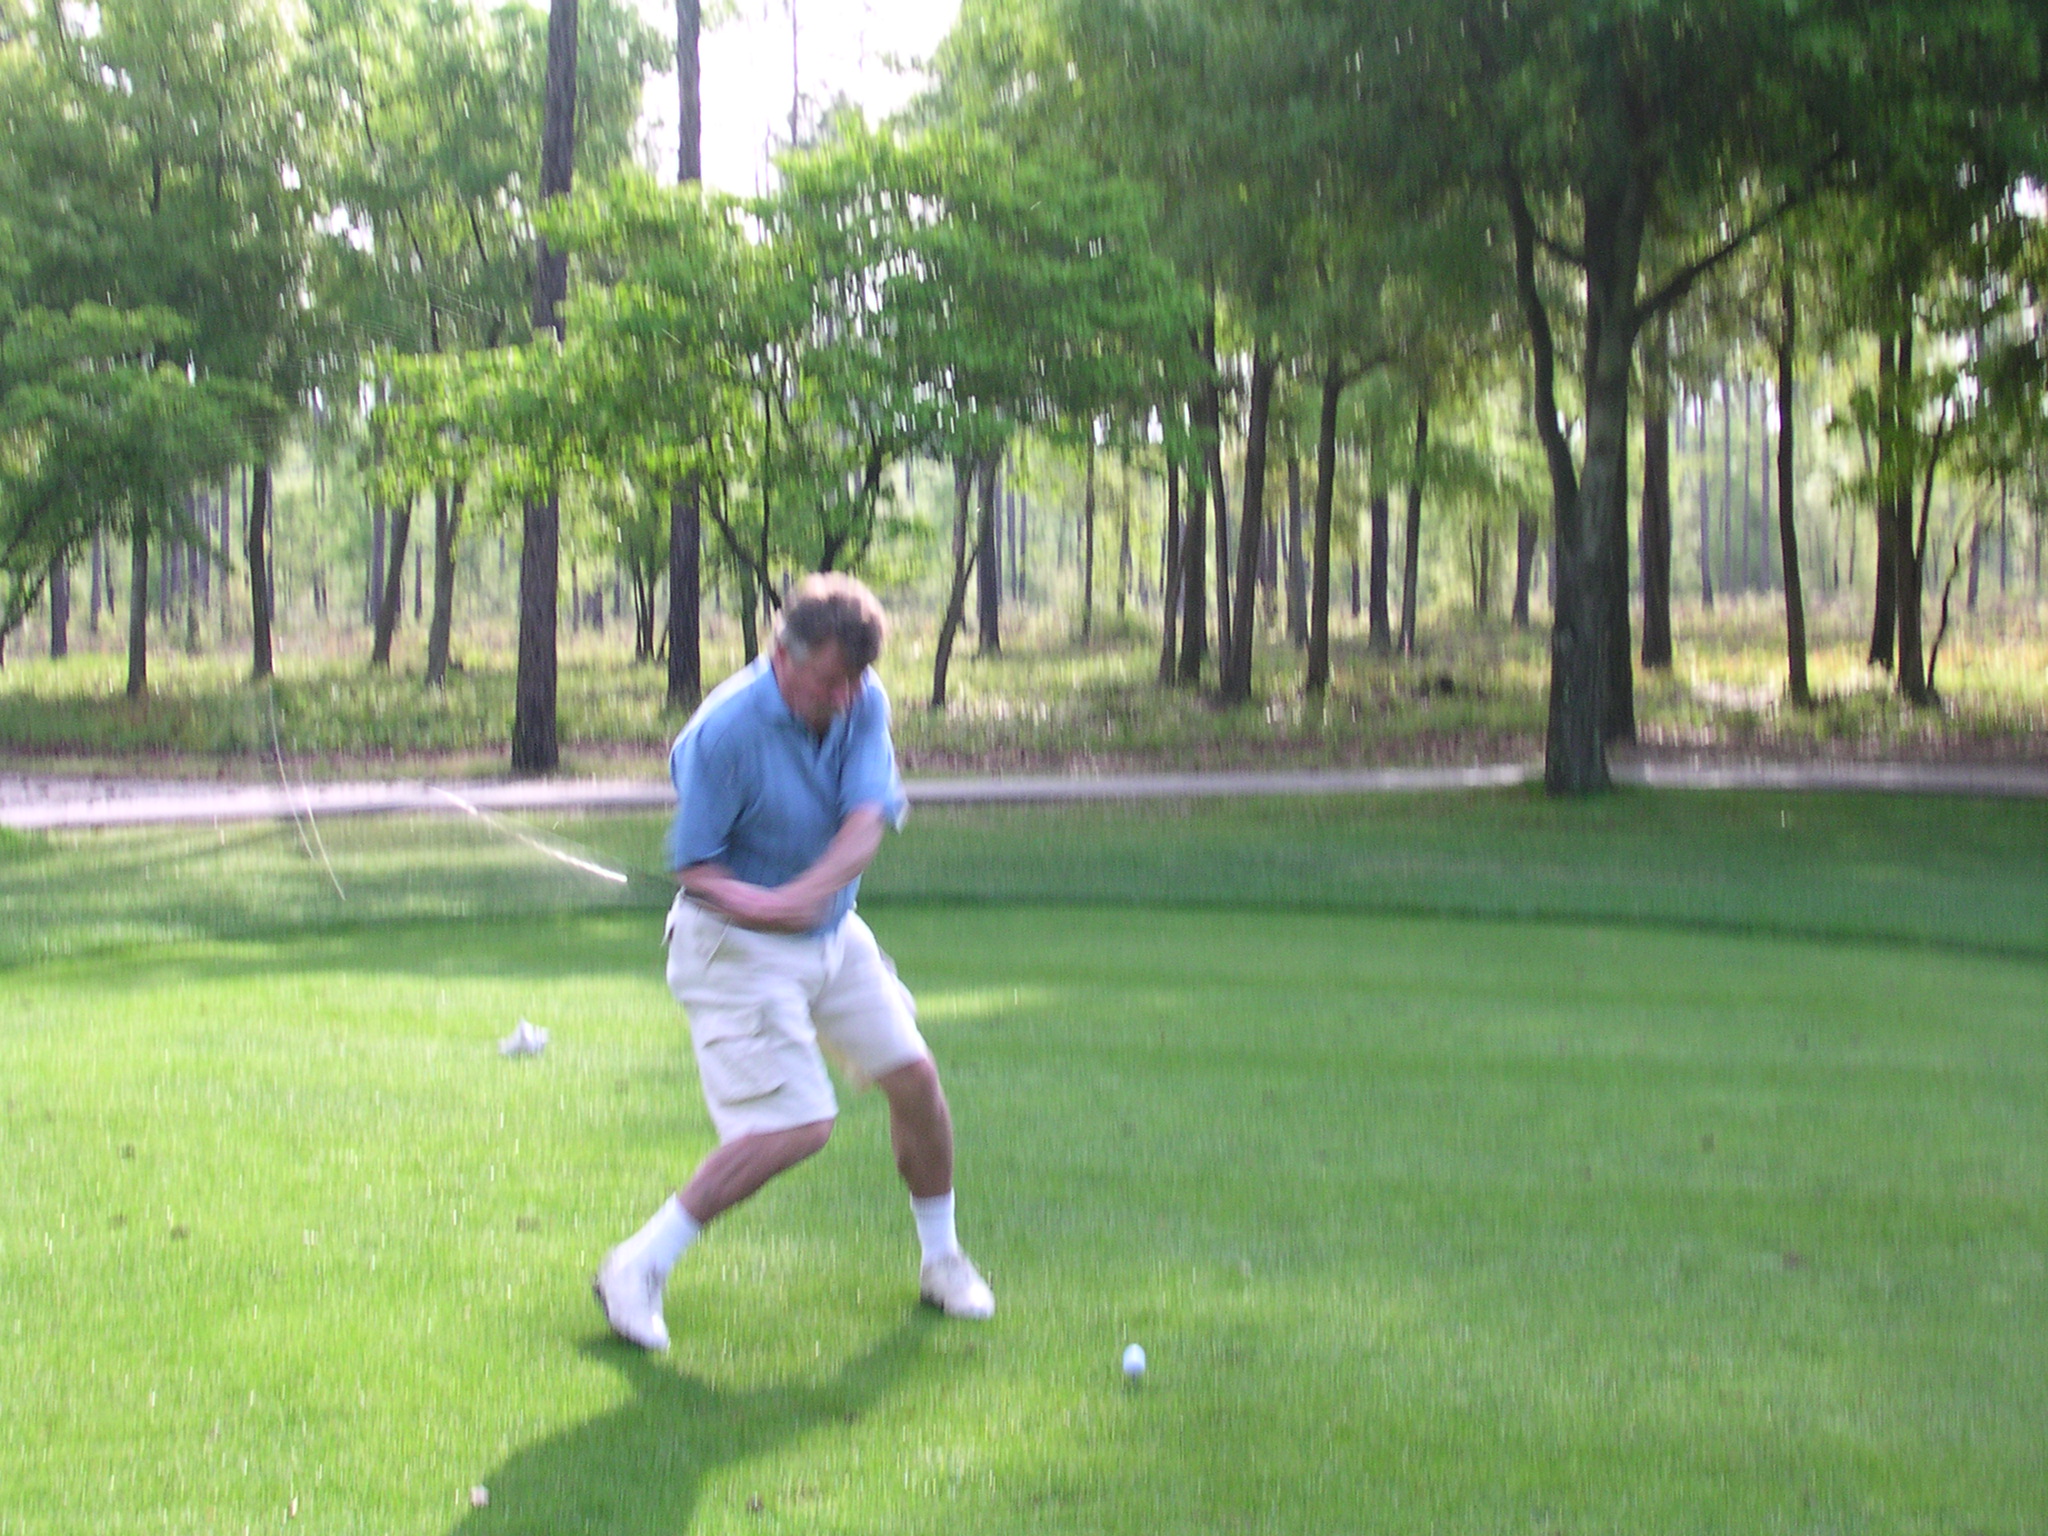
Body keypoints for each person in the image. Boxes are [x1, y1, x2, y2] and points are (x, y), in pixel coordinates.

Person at [593, 573, 995, 1350]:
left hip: (829, 934)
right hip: (730, 948)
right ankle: (637, 1266)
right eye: (830, 681)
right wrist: (763, 905)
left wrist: (805, 896)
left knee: (915, 1080)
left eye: (855, 681)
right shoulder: (723, 733)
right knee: (798, 1124)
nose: (844, 698)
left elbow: (867, 818)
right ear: (784, 654)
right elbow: (695, 866)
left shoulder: (862, 700)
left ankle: (942, 1261)